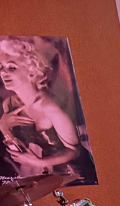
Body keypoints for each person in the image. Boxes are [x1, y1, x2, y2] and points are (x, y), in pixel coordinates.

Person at [0, 36, 96, 185]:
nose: (3, 73)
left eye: (12, 68)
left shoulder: (49, 107)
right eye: (1, 67)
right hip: (46, 177)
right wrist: (3, 127)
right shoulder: (9, 104)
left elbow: (75, 151)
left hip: (75, 176)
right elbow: (17, 149)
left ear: (31, 71)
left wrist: (39, 162)